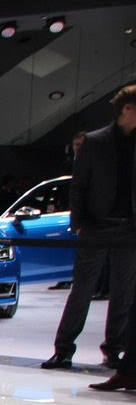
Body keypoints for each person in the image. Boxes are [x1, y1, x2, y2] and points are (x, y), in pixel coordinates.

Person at [42, 84, 136, 371]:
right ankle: (63, 350)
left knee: (123, 292)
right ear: (128, 109)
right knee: (81, 290)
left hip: (129, 229)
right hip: (95, 226)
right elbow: (79, 185)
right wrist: (79, 224)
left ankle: (114, 350)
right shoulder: (95, 142)